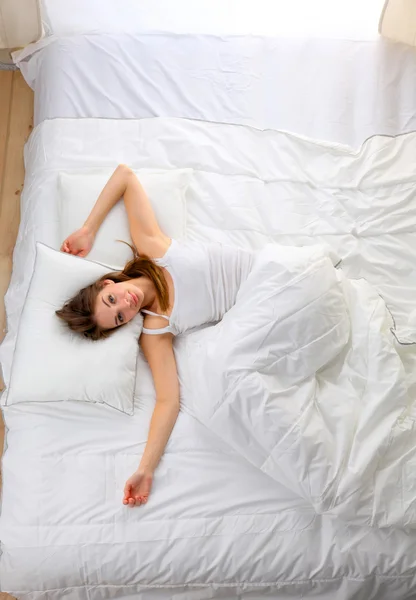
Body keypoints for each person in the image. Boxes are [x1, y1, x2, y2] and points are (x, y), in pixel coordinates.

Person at [57, 165, 253, 508]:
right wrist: (146, 470)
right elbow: (168, 401)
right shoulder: (155, 330)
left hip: (264, 272)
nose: (125, 305)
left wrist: (88, 229)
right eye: (119, 318)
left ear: (108, 283)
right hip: (257, 308)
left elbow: (124, 176)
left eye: (111, 299)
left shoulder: (152, 248)